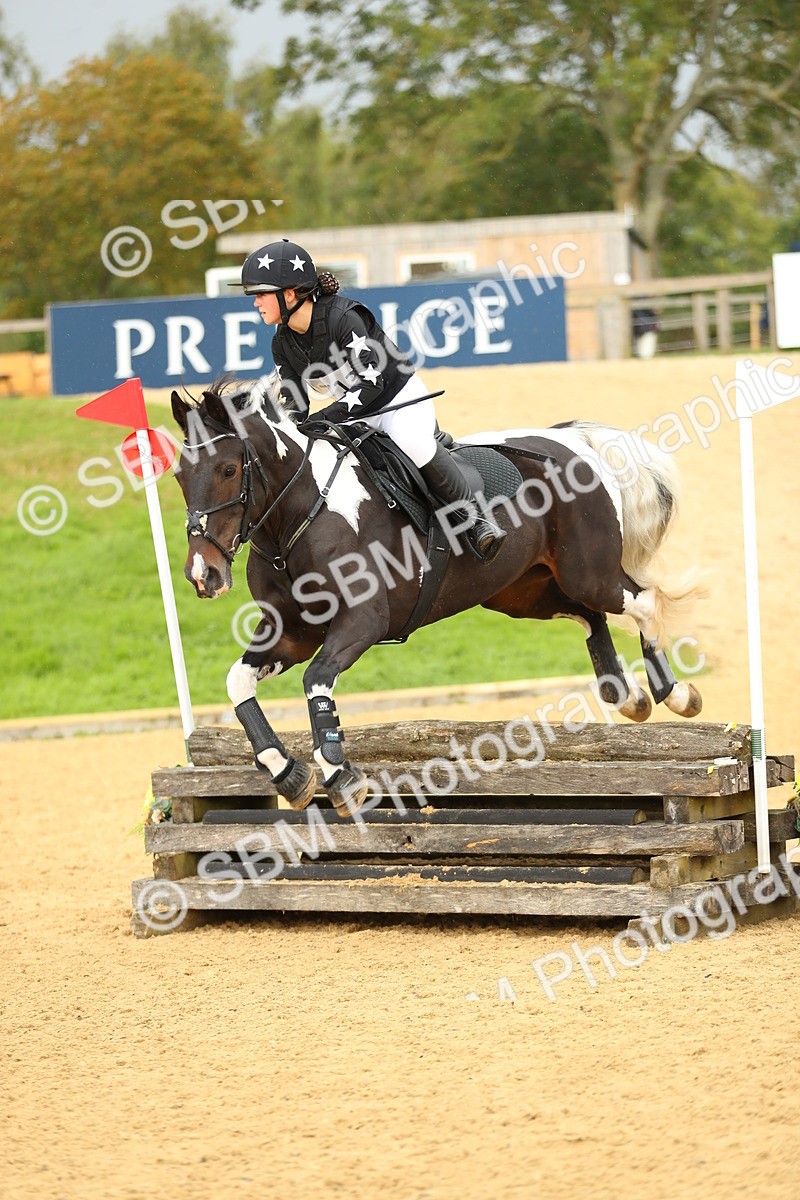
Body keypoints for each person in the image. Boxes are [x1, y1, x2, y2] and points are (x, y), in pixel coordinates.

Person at [233, 238, 506, 563]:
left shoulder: (343, 317)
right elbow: (296, 404)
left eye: (261, 294)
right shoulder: (282, 342)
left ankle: (477, 520)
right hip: (354, 413)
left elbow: (372, 383)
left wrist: (329, 416)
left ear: (289, 294)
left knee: (413, 444)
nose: (256, 303)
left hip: (397, 399)